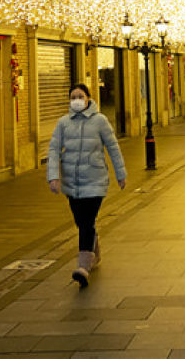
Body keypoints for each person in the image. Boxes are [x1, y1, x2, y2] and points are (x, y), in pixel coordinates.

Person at [48, 83, 127, 287]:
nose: (76, 100)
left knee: (86, 222)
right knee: (81, 221)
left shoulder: (100, 121)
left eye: (80, 96)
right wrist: (53, 176)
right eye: (73, 97)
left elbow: (113, 147)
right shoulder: (63, 123)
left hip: (95, 180)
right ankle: (95, 250)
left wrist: (121, 174)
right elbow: (54, 149)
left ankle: (83, 267)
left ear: (88, 99)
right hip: (72, 183)